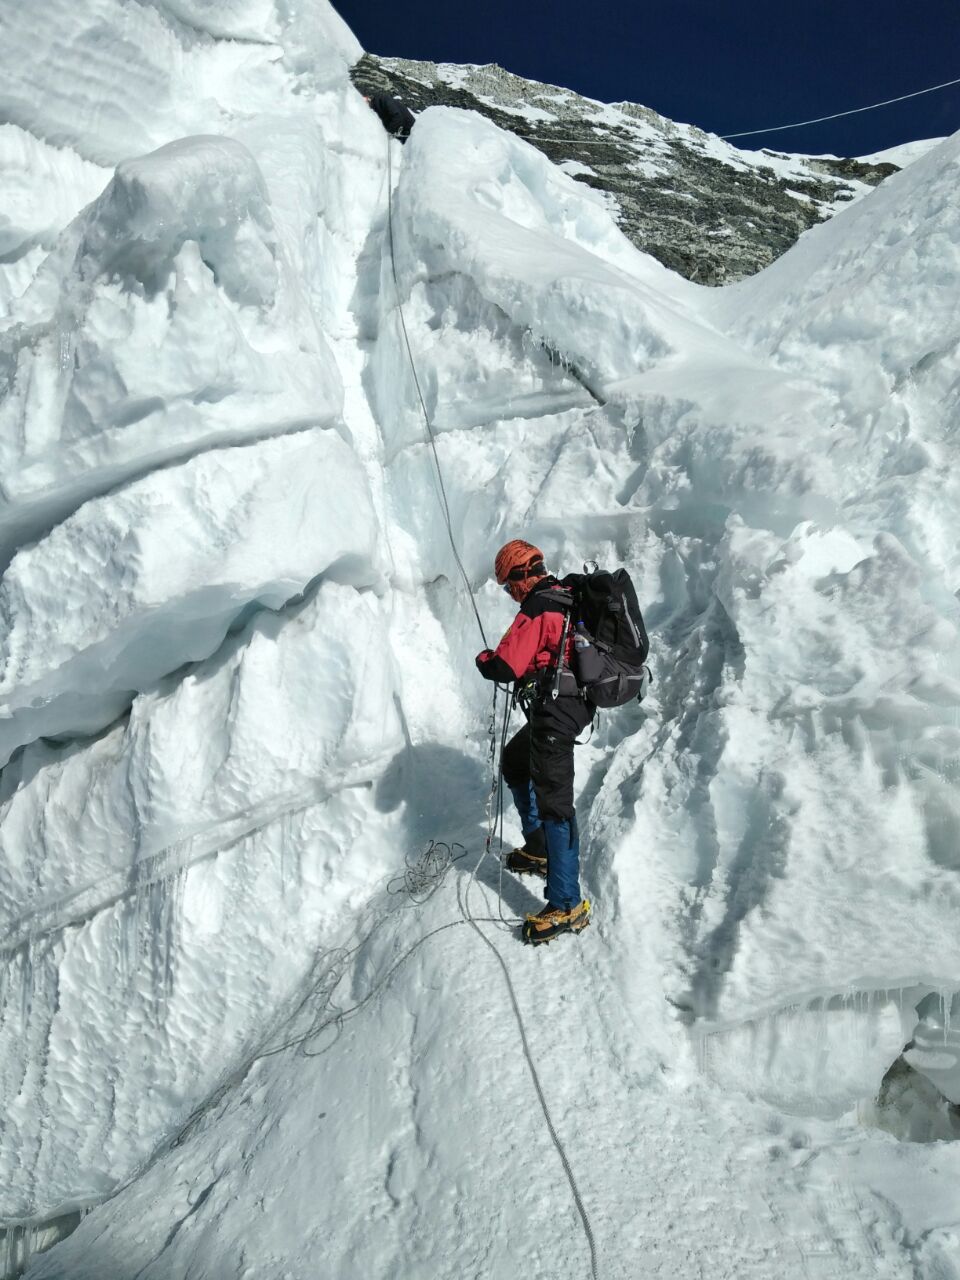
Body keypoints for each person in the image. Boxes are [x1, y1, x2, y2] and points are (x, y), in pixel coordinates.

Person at [475, 540, 592, 944]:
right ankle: (540, 847)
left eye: (510, 585)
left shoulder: (539, 606)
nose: (511, 593)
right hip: (567, 706)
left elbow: (506, 665)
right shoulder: (565, 595)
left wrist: (484, 660)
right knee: (515, 761)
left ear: (522, 575)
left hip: (556, 716)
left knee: (556, 805)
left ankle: (567, 904)